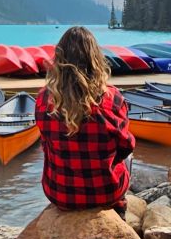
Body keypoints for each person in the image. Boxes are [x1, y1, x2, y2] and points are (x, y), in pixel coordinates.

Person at [35, 26, 135, 216]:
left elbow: (44, 143)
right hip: (106, 193)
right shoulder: (112, 98)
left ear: (59, 59)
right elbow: (127, 146)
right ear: (95, 59)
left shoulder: (43, 99)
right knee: (129, 156)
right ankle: (119, 210)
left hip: (60, 194)